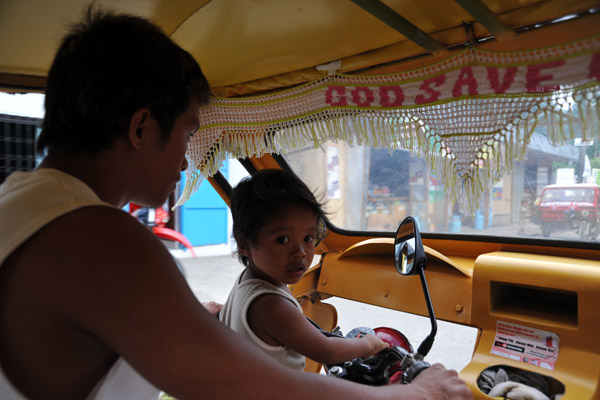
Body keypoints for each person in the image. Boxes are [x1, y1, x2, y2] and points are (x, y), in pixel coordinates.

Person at [0, 6, 472, 400]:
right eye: (187, 132)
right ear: (141, 128)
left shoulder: (21, 203)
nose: (187, 160)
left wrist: (188, 317)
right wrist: (419, 392)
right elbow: (262, 387)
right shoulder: (99, 239)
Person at [221, 169, 389, 370]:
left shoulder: (247, 281)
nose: (300, 253)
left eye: (308, 238)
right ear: (244, 246)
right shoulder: (271, 305)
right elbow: (326, 350)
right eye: (282, 239)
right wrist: (367, 344)